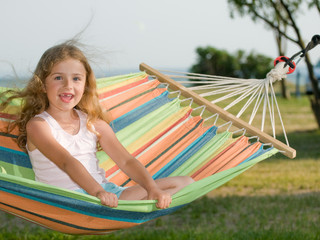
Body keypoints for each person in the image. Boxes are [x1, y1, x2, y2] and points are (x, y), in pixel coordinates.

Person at [0, 41, 194, 209]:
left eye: (76, 78)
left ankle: (135, 206)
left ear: (85, 85)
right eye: (58, 77)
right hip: (68, 201)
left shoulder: (94, 123)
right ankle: (120, 209)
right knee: (113, 199)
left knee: (187, 183)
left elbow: (126, 161)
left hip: (107, 194)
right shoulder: (39, 125)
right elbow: (67, 162)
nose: (68, 85)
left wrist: (152, 189)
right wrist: (97, 192)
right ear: (42, 84)